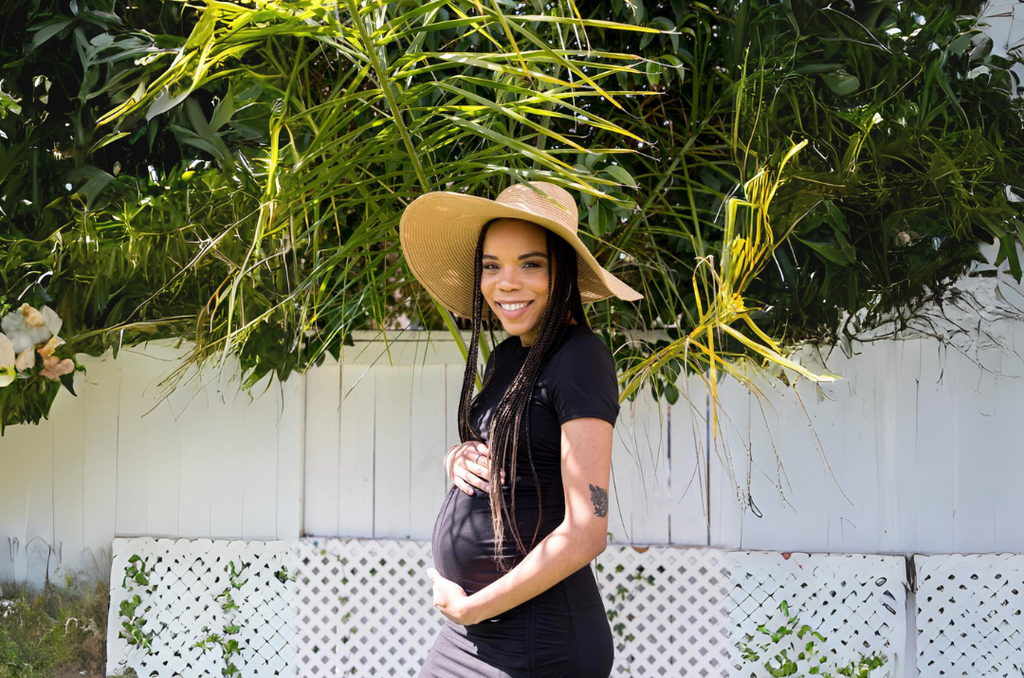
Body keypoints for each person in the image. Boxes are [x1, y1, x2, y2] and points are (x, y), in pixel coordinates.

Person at [399, 181, 643, 677]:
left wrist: (474, 607)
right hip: (471, 634)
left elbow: (586, 530)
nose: (506, 283)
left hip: (539, 641)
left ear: (563, 272)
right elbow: (516, 447)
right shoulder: (510, 355)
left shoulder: (579, 358)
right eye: (492, 266)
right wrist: (459, 455)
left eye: (530, 264)